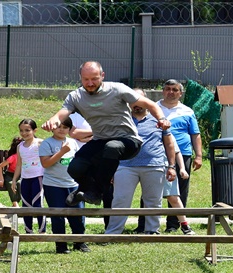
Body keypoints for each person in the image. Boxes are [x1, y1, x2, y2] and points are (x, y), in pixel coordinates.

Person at [42, 61, 170, 207]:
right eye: (86, 79)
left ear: (102, 76)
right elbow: (62, 113)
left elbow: (150, 104)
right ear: (81, 78)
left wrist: (162, 118)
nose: (90, 83)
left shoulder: (117, 89)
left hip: (128, 140)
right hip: (100, 140)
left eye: (94, 79)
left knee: (112, 147)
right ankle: (87, 190)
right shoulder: (75, 96)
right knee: (75, 168)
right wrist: (54, 119)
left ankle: (97, 191)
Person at [105, 88, 176, 235]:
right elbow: (112, 145)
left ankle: (151, 231)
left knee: (153, 201)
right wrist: (110, 168)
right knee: (120, 200)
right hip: (125, 166)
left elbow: (169, 144)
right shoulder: (121, 121)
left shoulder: (159, 120)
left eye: (139, 100)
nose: (136, 104)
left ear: (146, 101)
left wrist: (171, 166)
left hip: (154, 165)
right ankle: (113, 232)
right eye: (132, 101)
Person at [157, 79, 202, 232]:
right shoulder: (154, 108)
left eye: (175, 90)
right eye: (168, 89)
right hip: (157, 153)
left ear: (180, 93)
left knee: (179, 190)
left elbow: (195, 134)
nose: (171, 92)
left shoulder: (187, 111)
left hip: (182, 154)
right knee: (151, 188)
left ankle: (174, 225)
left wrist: (199, 156)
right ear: (163, 91)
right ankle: (146, 224)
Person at [39, 116, 88, 253]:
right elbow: (45, 164)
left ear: (69, 129)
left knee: (78, 215)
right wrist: (62, 152)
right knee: (58, 216)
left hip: (73, 184)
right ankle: (61, 245)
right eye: (59, 126)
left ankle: (80, 243)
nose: (61, 130)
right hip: (53, 185)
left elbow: (79, 161)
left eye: (65, 127)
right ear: (53, 128)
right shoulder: (47, 143)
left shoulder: (73, 142)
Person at [11, 119, 46, 234]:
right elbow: (19, 165)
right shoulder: (20, 146)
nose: (24, 133)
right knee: (26, 205)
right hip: (25, 179)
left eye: (27, 130)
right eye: (21, 130)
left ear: (34, 130)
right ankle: (28, 231)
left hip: (38, 177)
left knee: (37, 204)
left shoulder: (40, 143)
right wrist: (14, 180)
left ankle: (42, 231)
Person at [162, 139, 196, 235]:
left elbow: (177, 152)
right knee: (149, 198)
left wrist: (182, 168)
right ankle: (148, 228)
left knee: (173, 197)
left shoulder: (166, 132)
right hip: (147, 168)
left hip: (166, 167)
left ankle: (185, 226)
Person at [0, 136, 23, 207]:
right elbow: (0, 166)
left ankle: (16, 203)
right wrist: (1, 178)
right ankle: (15, 203)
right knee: (11, 184)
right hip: (10, 175)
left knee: (20, 184)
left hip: (21, 175)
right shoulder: (13, 157)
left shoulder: (26, 156)